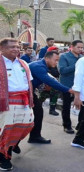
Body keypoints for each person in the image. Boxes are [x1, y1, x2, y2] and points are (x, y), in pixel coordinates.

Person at [0, 38, 34, 171]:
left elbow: (29, 81)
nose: (16, 49)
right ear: (2, 49)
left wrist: (31, 98)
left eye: (17, 46)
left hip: (24, 101)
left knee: (28, 124)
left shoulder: (23, 63)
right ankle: (4, 159)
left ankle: (13, 144)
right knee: (6, 131)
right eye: (11, 47)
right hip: (6, 102)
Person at [29, 51, 73, 144]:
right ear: (47, 58)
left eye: (58, 60)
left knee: (37, 112)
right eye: (55, 60)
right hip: (21, 92)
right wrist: (68, 90)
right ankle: (14, 143)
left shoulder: (43, 66)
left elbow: (51, 79)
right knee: (22, 117)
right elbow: (50, 81)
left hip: (29, 92)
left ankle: (34, 136)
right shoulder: (38, 66)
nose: (56, 62)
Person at [58, 40, 83, 134]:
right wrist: (76, 65)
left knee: (83, 105)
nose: (80, 49)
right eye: (78, 47)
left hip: (80, 86)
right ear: (72, 47)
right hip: (67, 85)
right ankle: (67, 125)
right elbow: (62, 71)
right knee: (66, 106)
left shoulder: (82, 57)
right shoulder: (64, 57)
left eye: (82, 47)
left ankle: (80, 125)